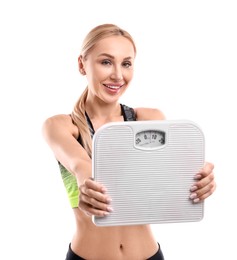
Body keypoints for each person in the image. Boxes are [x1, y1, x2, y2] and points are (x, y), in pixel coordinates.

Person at [42, 23, 216, 260]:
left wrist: (199, 178)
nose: (117, 75)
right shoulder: (61, 126)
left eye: (126, 63)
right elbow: (79, 165)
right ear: (82, 64)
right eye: (105, 62)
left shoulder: (150, 119)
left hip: (149, 254)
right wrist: (86, 183)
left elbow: (172, 175)